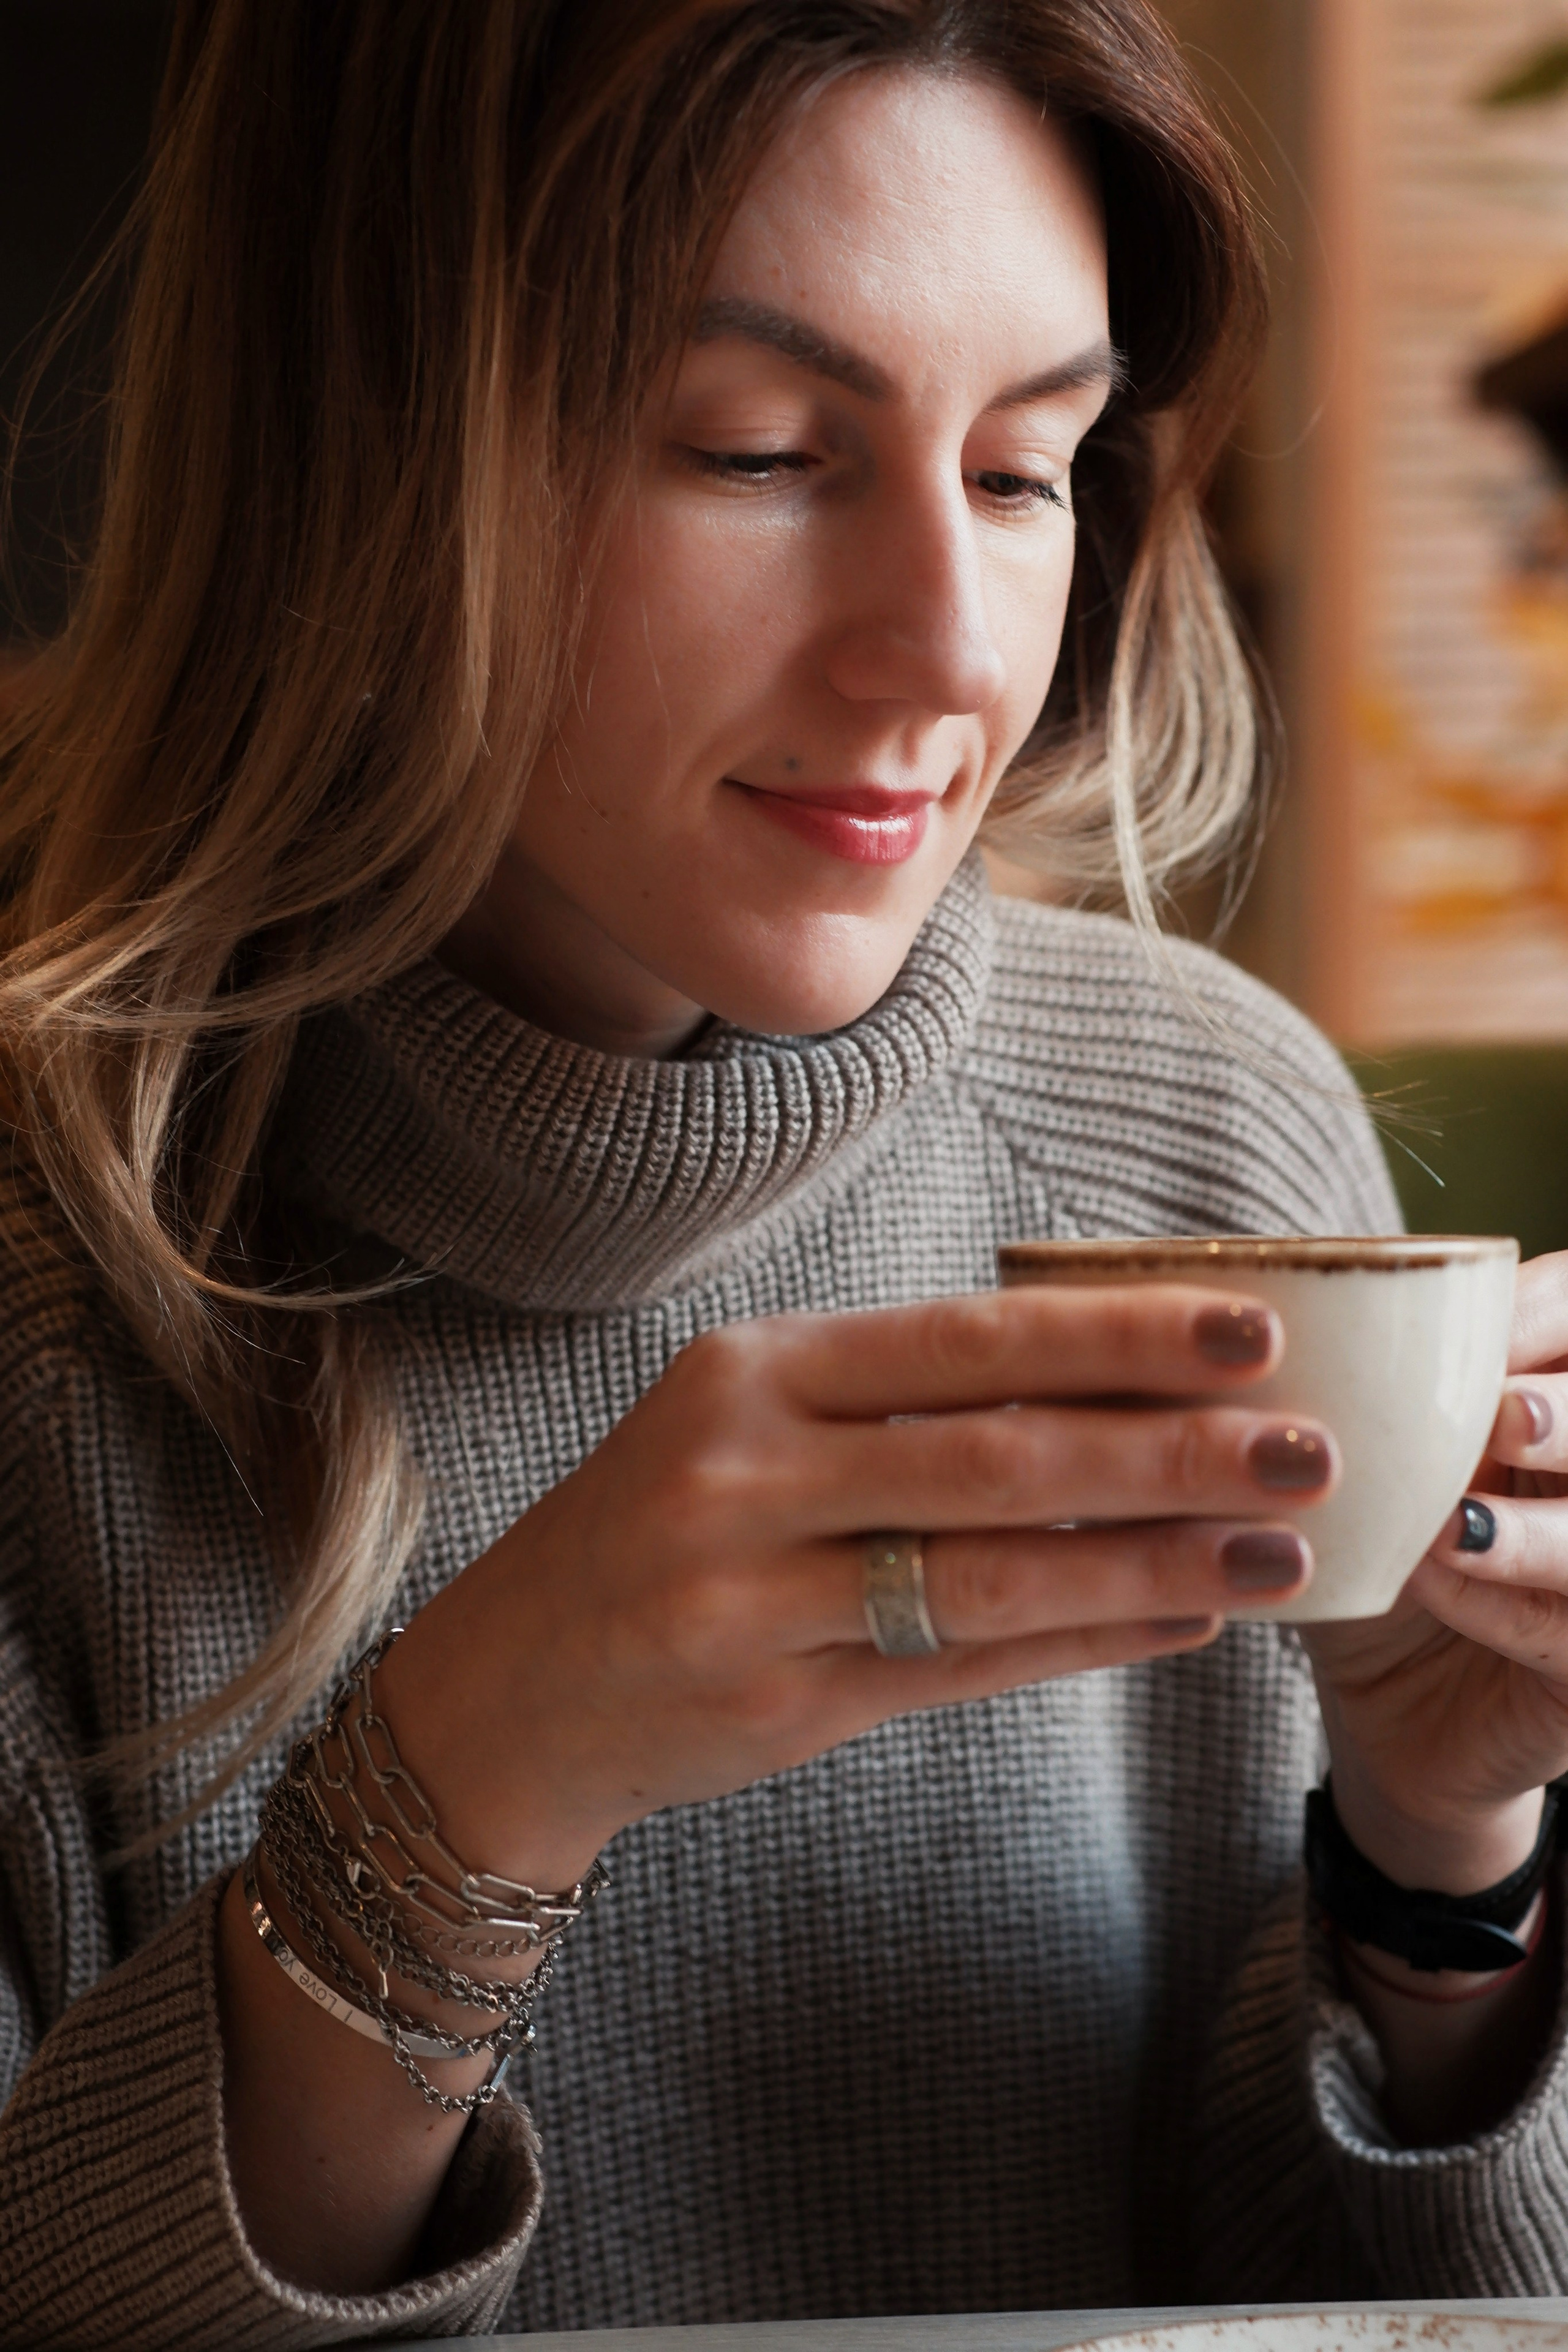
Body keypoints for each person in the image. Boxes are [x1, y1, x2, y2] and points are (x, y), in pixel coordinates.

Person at [4, 1, 1568, 2342]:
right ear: (363, 441)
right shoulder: (48, 1267)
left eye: (1031, 468)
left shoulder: (1208, 1135)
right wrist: (463, 1787)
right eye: (756, 451)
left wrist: (1443, 1865)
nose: (950, 649)